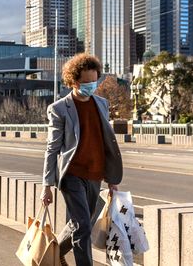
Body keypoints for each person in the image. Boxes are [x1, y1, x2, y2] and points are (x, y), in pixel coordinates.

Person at [40, 53, 123, 266]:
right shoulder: (59, 109)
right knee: (83, 226)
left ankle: (54, 250)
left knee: (81, 224)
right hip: (72, 175)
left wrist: (111, 177)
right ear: (73, 82)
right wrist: (46, 185)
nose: (91, 86)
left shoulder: (102, 104)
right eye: (86, 83)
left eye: (94, 81)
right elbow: (52, 148)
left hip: (95, 175)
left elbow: (105, 141)